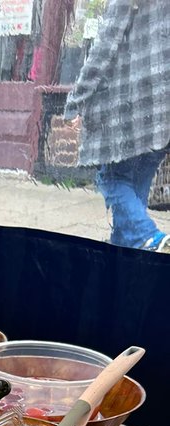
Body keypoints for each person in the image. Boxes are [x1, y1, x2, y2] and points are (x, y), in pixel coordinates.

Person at [65, 0, 170, 251]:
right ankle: (125, 255)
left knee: (111, 178)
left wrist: (76, 100)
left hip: (130, 108)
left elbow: (104, 48)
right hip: (164, 110)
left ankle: (150, 238)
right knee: (135, 187)